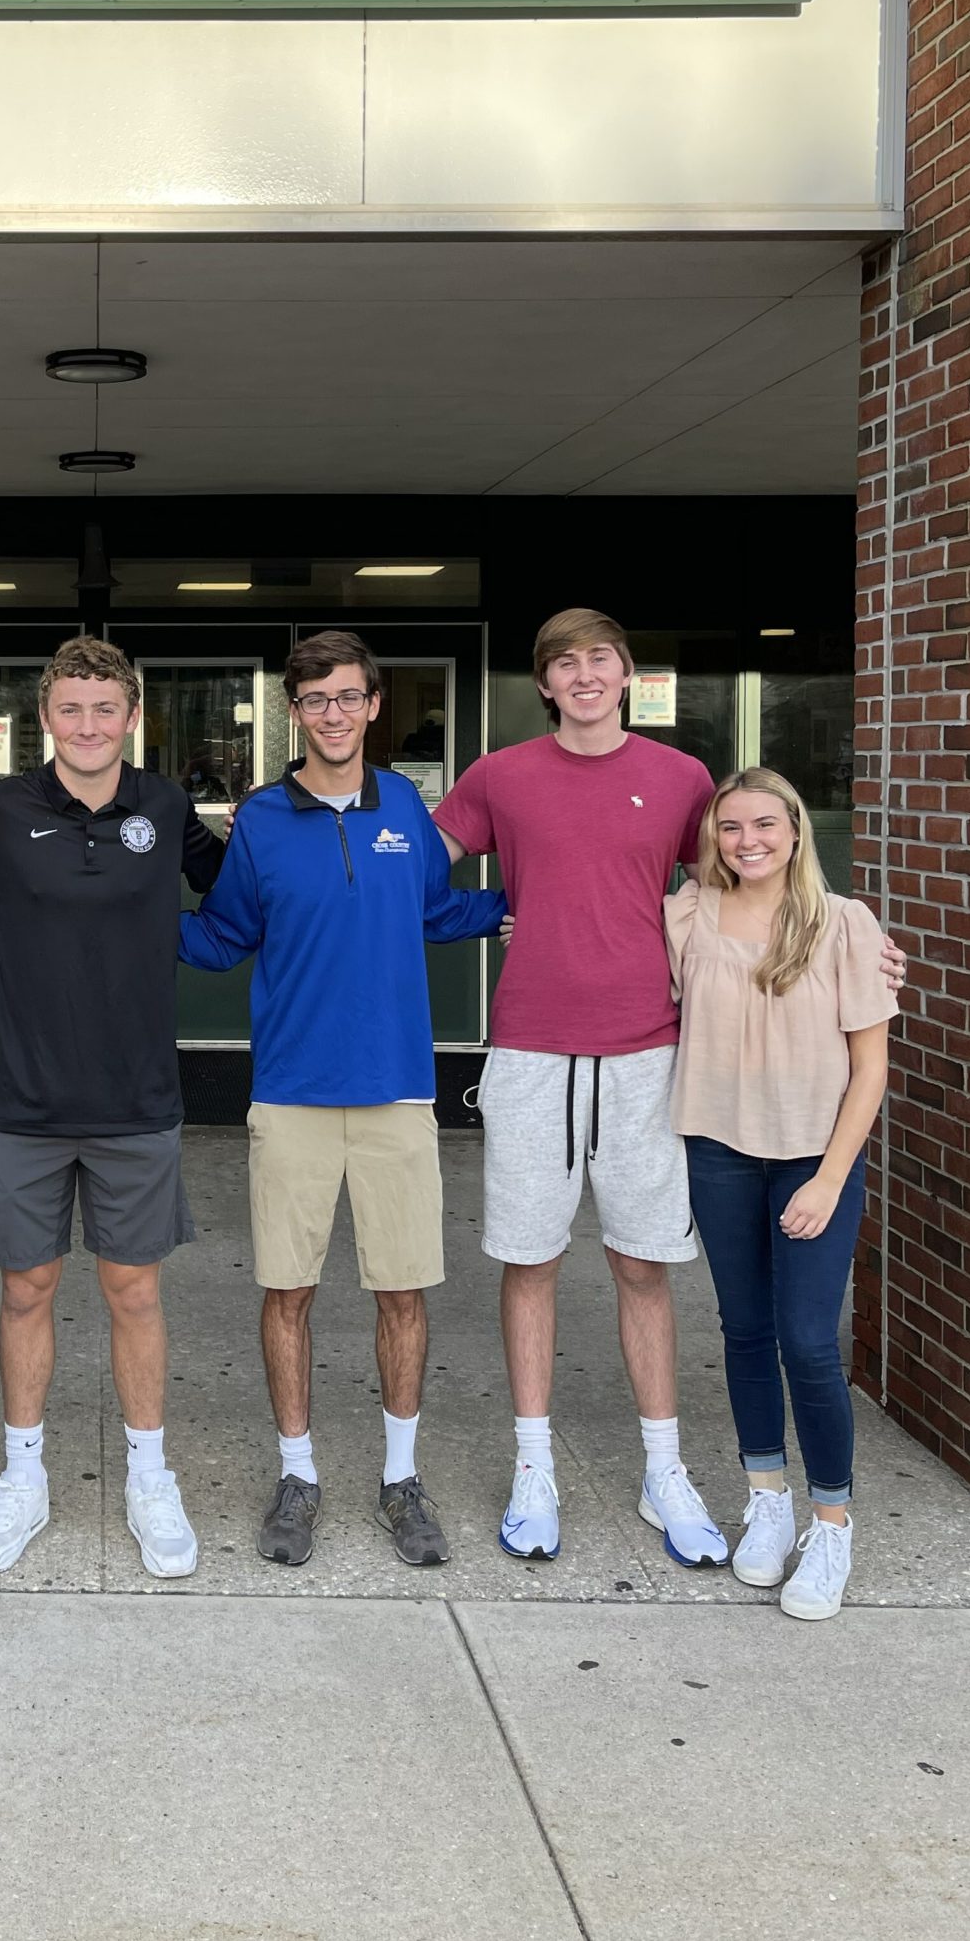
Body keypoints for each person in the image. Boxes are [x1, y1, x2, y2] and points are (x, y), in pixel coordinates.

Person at [180, 632, 508, 1570]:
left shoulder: (406, 805)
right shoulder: (260, 821)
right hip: (290, 1093)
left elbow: (437, 912)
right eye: (315, 699)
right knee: (289, 1292)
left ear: (373, 707)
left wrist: (523, 906)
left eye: (349, 697)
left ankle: (402, 1479)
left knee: (401, 1291)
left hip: (400, 1091)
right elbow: (223, 936)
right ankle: (299, 1475)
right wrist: (117, 921)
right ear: (296, 711)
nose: (333, 713)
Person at [433, 611, 732, 1568]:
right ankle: (533, 1468)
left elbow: (742, 887)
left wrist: (846, 939)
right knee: (530, 1262)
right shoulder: (500, 777)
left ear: (627, 675)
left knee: (644, 1264)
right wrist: (492, 912)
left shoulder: (681, 779)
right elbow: (409, 877)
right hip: (530, 1054)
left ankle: (663, 1470)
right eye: (566, 663)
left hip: (648, 1052)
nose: (586, 674)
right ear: (547, 686)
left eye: (600, 657)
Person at [0, 635, 225, 1579]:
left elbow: (247, 897)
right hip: (22, 1098)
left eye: (106, 709)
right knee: (27, 1288)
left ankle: (149, 1475)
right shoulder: (5, 807)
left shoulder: (167, 806)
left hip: (137, 1097)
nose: (89, 725)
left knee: (134, 1290)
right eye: (71, 709)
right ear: (46, 718)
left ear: (132, 715)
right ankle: (25, 1477)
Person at [666, 769, 895, 1620]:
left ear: (796, 832)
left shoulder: (843, 925)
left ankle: (830, 1518)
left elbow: (870, 1066)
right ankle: (768, 1498)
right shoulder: (686, 916)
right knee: (746, 1332)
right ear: (713, 839)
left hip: (812, 1160)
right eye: (730, 827)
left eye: (765, 823)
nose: (747, 840)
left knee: (808, 1341)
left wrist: (832, 1178)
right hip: (720, 1150)